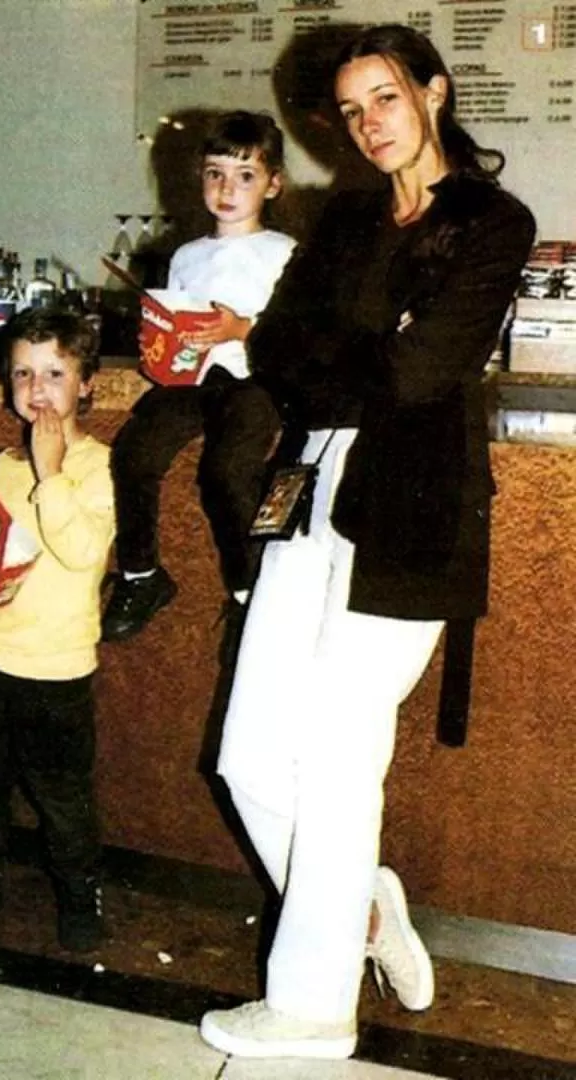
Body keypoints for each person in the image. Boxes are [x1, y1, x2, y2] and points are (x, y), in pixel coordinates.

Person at [199, 24, 535, 1060]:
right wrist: (344, 354)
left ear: (432, 92)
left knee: (342, 756)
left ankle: (311, 1005)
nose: (368, 124)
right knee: (250, 753)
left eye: (384, 98)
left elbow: (420, 374)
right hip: (306, 489)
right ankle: (360, 906)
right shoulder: (342, 216)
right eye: (350, 110)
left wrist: (332, 355)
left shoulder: (492, 221)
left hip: (414, 513)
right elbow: (279, 351)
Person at [0, 307, 115, 953]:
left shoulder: (95, 466)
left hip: (58, 667)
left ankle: (78, 890)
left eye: (54, 373)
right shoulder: (3, 463)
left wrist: (52, 471)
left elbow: (80, 550)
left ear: (86, 383)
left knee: (62, 796)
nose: (37, 389)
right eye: (23, 373)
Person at [101, 111, 297, 646]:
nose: (227, 189)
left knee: (229, 472)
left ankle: (248, 592)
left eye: (246, 176)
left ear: (274, 184)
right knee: (134, 452)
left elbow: (297, 332)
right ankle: (141, 574)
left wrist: (240, 328)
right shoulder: (186, 255)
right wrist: (159, 345)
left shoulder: (283, 252)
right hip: (192, 382)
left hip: (254, 380)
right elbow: (173, 321)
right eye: (215, 174)